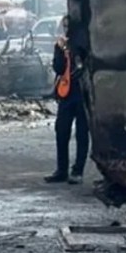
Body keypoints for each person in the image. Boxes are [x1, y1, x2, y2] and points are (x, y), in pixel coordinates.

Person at [45, 15, 89, 185]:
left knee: (82, 133)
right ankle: (61, 170)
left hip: (83, 93)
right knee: (61, 131)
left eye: (68, 26)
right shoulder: (62, 45)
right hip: (66, 94)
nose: (66, 29)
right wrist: (60, 51)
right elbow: (58, 68)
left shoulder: (86, 45)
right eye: (64, 26)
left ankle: (77, 171)